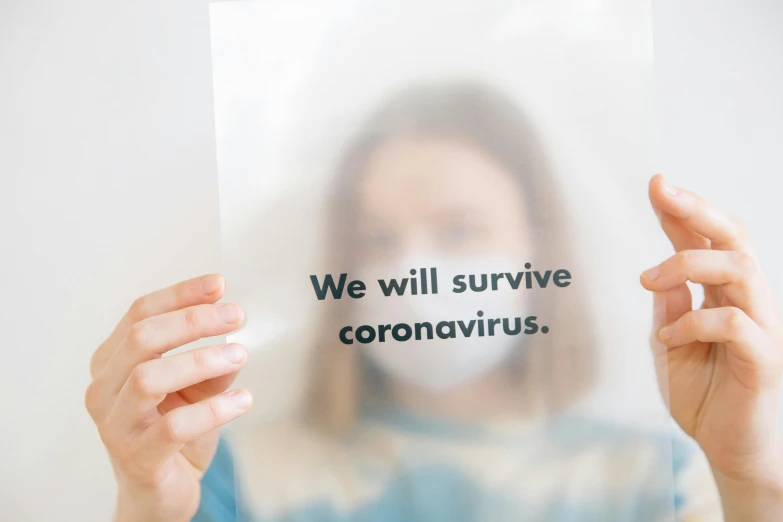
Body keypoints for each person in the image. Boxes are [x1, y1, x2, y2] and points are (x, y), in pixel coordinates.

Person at [85, 83, 783, 522]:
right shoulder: (242, 474)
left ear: (541, 254)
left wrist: (749, 476)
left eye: (459, 230)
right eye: (375, 238)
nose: (411, 269)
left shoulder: (650, 477)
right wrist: (148, 507)